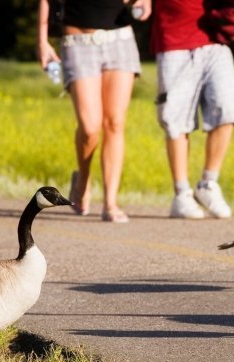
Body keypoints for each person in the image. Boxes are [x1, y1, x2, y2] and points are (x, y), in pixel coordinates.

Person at [37, 0, 151, 223]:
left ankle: (110, 203)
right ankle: (82, 180)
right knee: (90, 127)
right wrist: (42, 40)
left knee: (115, 122)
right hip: (77, 41)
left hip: (120, 40)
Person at [150, 0, 234, 219]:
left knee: (227, 111)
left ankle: (208, 184)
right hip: (174, 40)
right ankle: (181, 193)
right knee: (175, 121)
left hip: (215, 39)